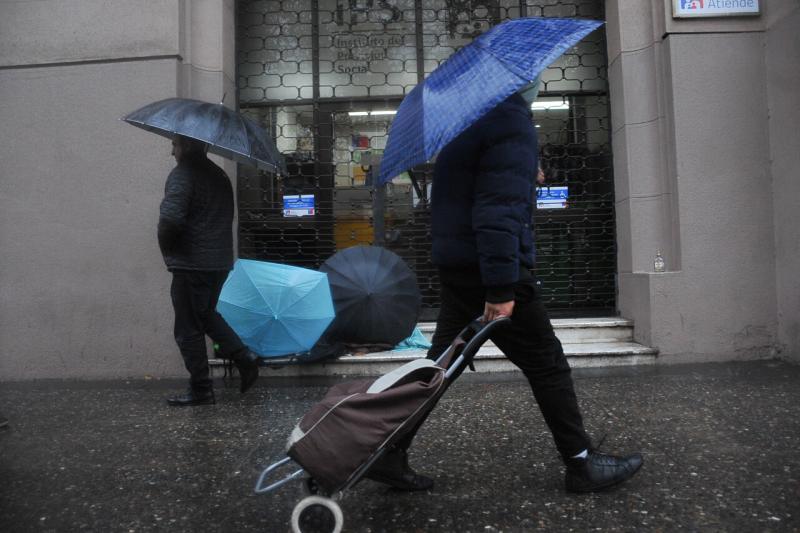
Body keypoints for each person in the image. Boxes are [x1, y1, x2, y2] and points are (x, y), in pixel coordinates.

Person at [366, 88, 643, 493]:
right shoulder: (510, 120)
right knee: (547, 364)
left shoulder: (467, 120)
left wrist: (524, 174)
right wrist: (500, 289)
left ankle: (389, 451)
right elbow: (496, 214)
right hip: (490, 272)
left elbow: (475, 191)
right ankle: (582, 463)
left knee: (437, 368)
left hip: (459, 265)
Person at [158, 135, 259, 406]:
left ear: (187, 146)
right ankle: (244, 357)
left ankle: (201, 390)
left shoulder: (183, 174)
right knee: (205, 316)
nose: (172, 151)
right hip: (218, 262)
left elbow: (170, 218)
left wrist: (168, 250)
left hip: (192, 263)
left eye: (175, 144)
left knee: (188, 328)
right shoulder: (218, 174)